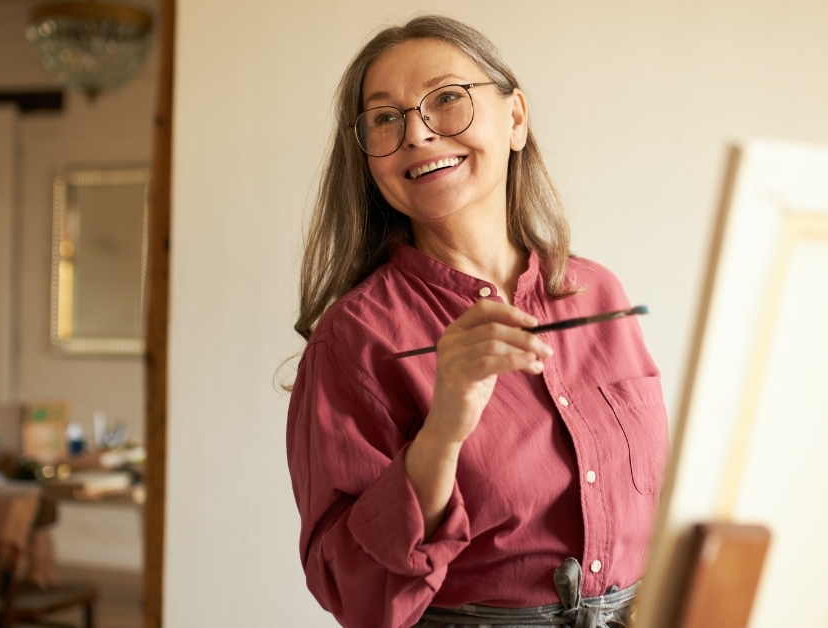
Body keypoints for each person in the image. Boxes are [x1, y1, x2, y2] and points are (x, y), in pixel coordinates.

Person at [286, 15, 668, 628]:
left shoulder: (599, 291)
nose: (417, 132)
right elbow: (350, 589)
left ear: (515, 118)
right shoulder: (353, 340)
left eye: (446, 100)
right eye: (386, 117)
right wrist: (442, 431)